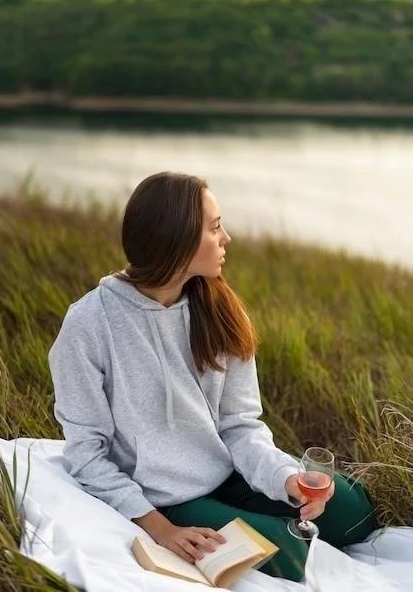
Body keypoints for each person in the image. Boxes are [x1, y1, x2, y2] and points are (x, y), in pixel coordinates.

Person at [49, 171, 378, 582]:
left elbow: (240, 425)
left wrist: (285, 479)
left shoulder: (221, 311)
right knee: (290, 553)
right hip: (168, 499)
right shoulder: (89, 324)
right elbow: (85, 452)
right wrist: (159, 527)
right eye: (216, 227)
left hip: (229, 472)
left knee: (354, 516)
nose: (227, 239)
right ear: (178, 240)